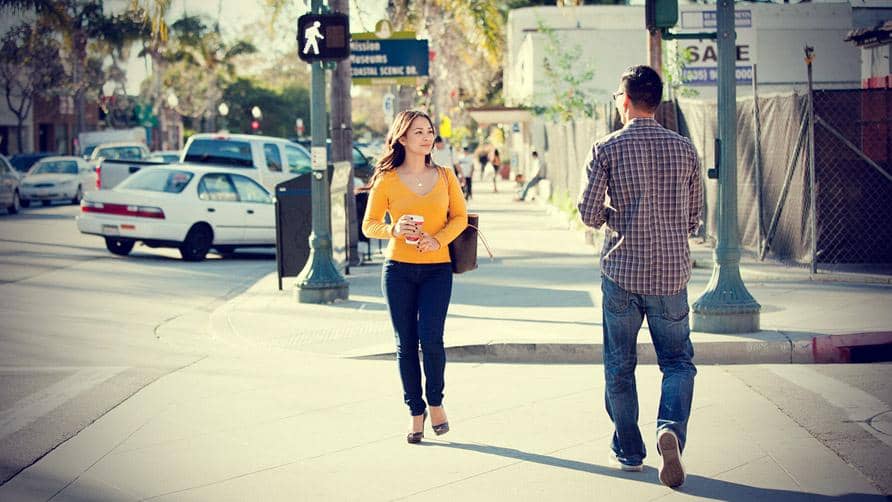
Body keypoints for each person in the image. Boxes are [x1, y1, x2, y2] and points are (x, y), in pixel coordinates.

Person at [577, 65, 702, 488]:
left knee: (619, 365)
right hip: (670, 275)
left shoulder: (606, 148)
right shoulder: (684, 148)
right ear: (658, 100)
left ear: (626, 99)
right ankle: (670, 428)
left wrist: (622, 218)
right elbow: (694, 219)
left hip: (622, 272)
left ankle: (630, 451)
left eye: (617, 95)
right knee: (678, 363)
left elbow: (589, 213)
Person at [361, 110, 468, 444]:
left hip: (437, 270)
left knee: (431, 339)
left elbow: (460, 217)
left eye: (429, 131)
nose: (426, 137)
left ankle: (436, 403)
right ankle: (415, 411)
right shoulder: (387, 179)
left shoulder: (445, 174)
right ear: (402, 138)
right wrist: (393, 229)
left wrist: (438, 239)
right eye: (418, 131)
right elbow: (369, 224)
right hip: (398, 272)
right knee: (405, 344)